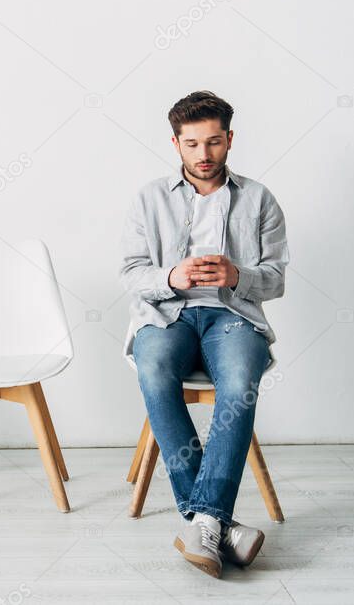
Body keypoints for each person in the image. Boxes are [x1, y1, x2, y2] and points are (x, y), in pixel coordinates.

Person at [119, 91, 289, 578]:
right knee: (153, 370)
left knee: (238, 383)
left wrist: (237, 275)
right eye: (192, 144)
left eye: (214, 142)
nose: (204, 155)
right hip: (166, 314)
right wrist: (171, 278)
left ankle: (202, 520)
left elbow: (276, 279)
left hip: (233, 316)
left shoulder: (259, 199)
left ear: (229, 139)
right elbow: (130, 272)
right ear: (176, 143)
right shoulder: (149, 198)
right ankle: (217, 523)